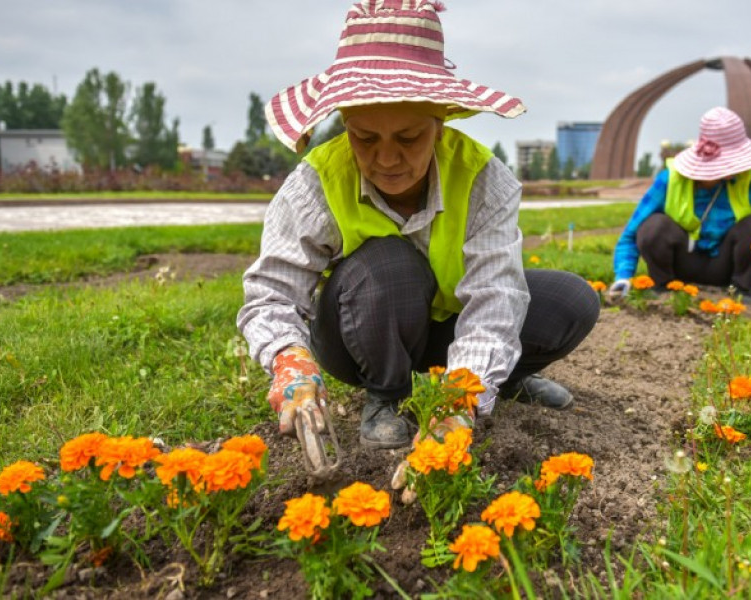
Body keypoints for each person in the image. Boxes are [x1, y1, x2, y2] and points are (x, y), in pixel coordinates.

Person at [237, 0, 600, 459]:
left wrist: (460, 397)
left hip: (444, 330)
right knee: (391, 264)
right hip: (362, 331)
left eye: (409, 138)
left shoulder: (483, 178)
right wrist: (290, 361)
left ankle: (497, 379)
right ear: (344, 125)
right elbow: (272, 290)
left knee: (572, 301)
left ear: (440, 121)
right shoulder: (316, 181)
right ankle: (386, 395)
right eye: (365, 138)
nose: (387, 160)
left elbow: (494, 297)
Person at [609, 107, 751, 300]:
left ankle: (741, 290)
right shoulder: (670, 180)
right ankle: (664, 288)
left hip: (726, 265)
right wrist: (623, 277)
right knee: (653, 226)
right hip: (683, 262)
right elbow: (631, 234)